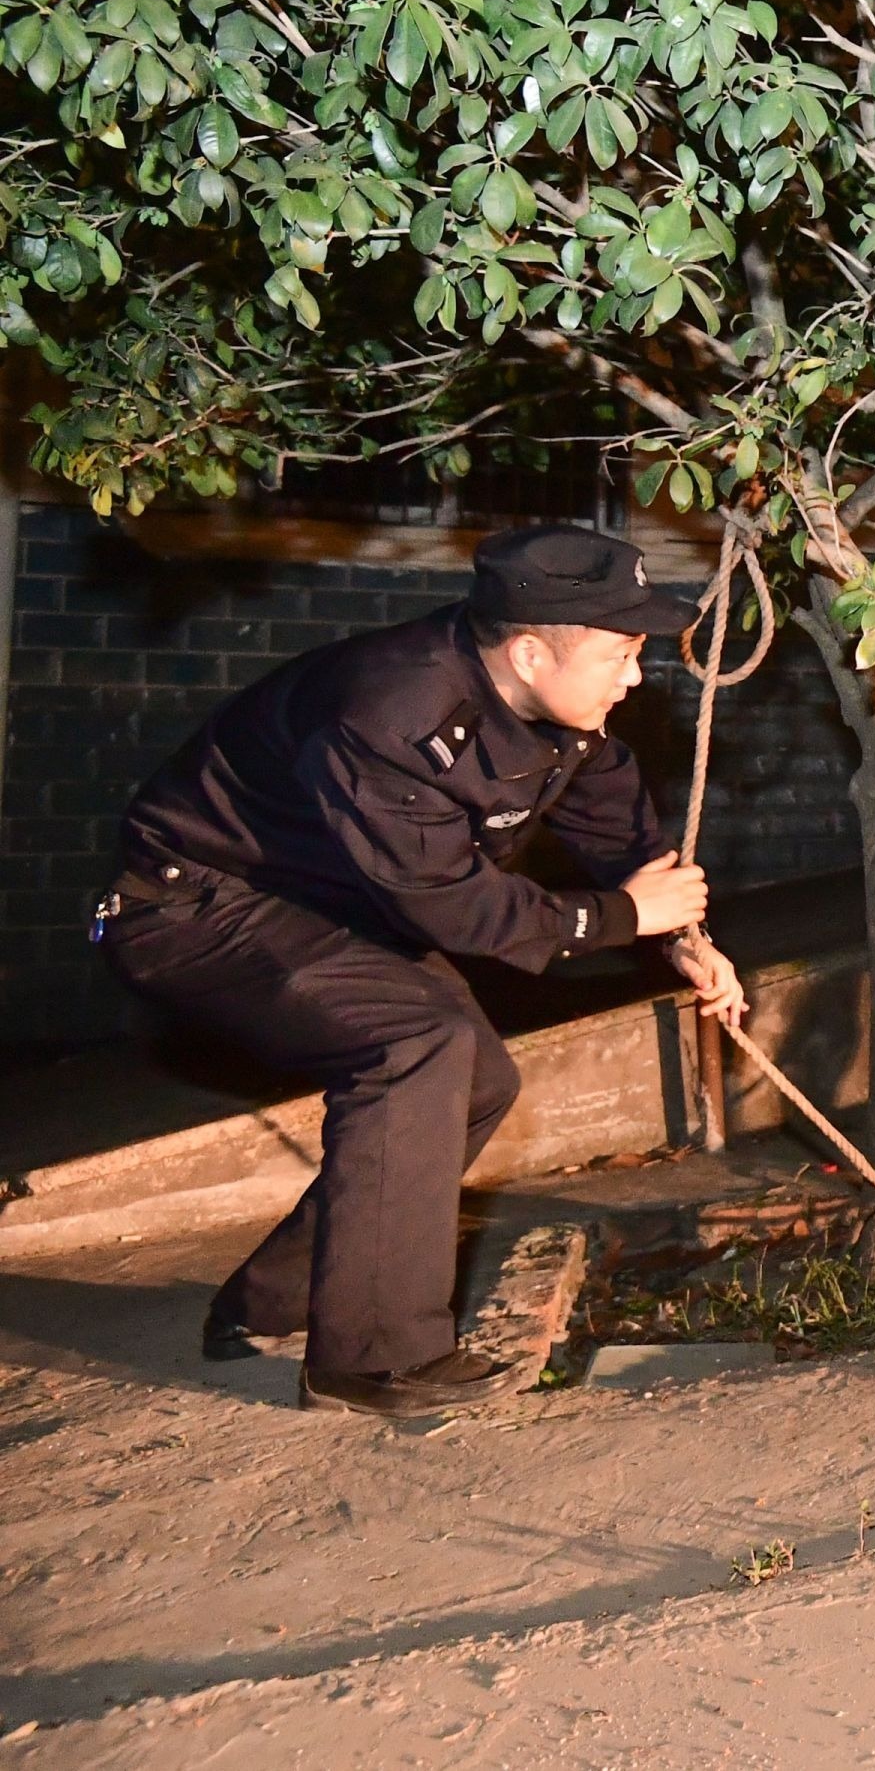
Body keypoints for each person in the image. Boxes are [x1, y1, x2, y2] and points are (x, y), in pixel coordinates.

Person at [96, 524, 747, 1418]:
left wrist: (676, 932)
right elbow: (457, 909)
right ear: (528, 651)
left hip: (328, 903)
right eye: (622, 655)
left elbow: (610, 815)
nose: (637, 679)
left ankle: (273, 1304)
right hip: (192, 907)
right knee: (419, 1044)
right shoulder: (390, 718)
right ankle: (370, 1359)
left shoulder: (552, 701)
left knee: (477, 1075)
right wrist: (628, 915)